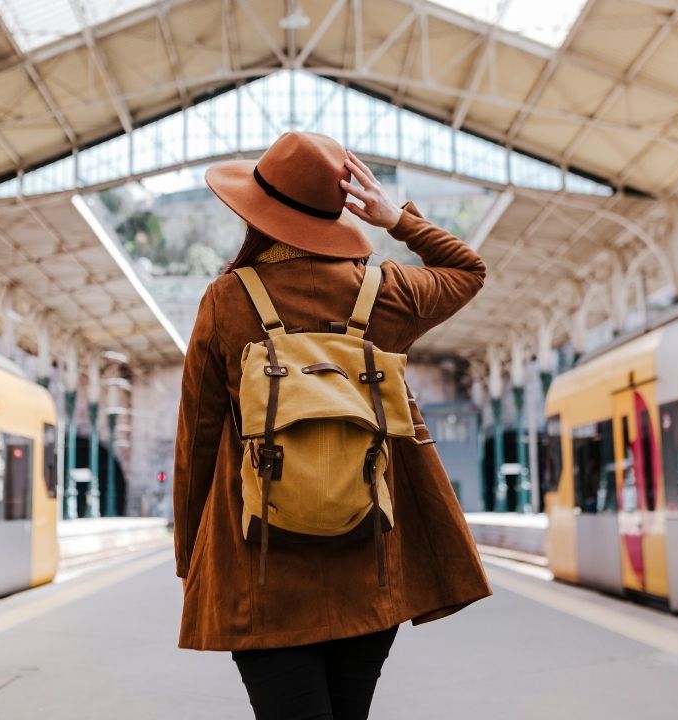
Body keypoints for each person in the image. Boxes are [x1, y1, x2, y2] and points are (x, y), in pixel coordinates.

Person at [173, 130, 492, 720]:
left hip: (257, 568)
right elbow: (467, 270)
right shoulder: (387, 292)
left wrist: (190, 557)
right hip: (368, 566)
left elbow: (198, 437)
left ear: (257, 215)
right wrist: (398, 220)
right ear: (336, 211)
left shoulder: (227, 300)